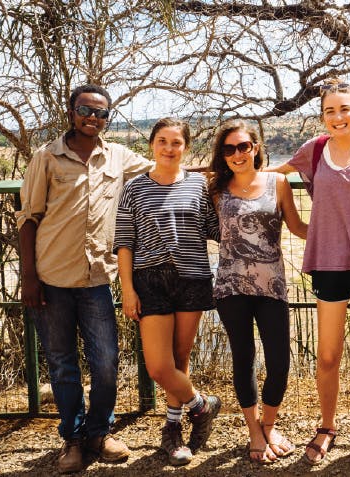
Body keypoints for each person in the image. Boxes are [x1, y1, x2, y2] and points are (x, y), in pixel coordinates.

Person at [17, 84, 151, 473]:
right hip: (52, 277)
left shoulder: (119, 157)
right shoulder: (46, 157)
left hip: (96, 280)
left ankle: (100, 432)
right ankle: (72, 440)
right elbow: (28, 219)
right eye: (85, 110)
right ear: (71, 112)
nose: (93, 118)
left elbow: (164, 169)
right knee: (62, 364)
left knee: (106, 361)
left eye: (101, 113)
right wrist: (29, 277)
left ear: (108, 117)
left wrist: (231, 170)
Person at [269, 78, 350, 471]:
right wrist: (204, 170)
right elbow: (270, 172)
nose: (338, 117)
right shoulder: (315, 150)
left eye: (345, 109)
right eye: (330, 111)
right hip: (328, 261)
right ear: (322, 116)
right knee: (327, 355)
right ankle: (326, 426)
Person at [113, 118, 222, 466]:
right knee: (159, 367)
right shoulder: (134, 188)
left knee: (180, 359)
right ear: (152, 145)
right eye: (162, 141)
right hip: (150, 280)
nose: (169, 148)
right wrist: (127, 289)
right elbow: (124, 242)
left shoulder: (198, 185)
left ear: (186, 147)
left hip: (192, 276)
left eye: (176, 142)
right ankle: (202, 406)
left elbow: (213, 228)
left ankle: (172, 431)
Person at [208, 119, 307, 464]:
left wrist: (337, 227)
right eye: (229, 148)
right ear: (223, 155)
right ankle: (254, 430)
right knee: (244, 358)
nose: (237, 154)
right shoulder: (216, 189)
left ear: (256, 147)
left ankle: (269, 424)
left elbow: (297, 226)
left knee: (280, 362)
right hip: (231, 286)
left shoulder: (278, 183)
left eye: (243, 146)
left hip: (272, 286)